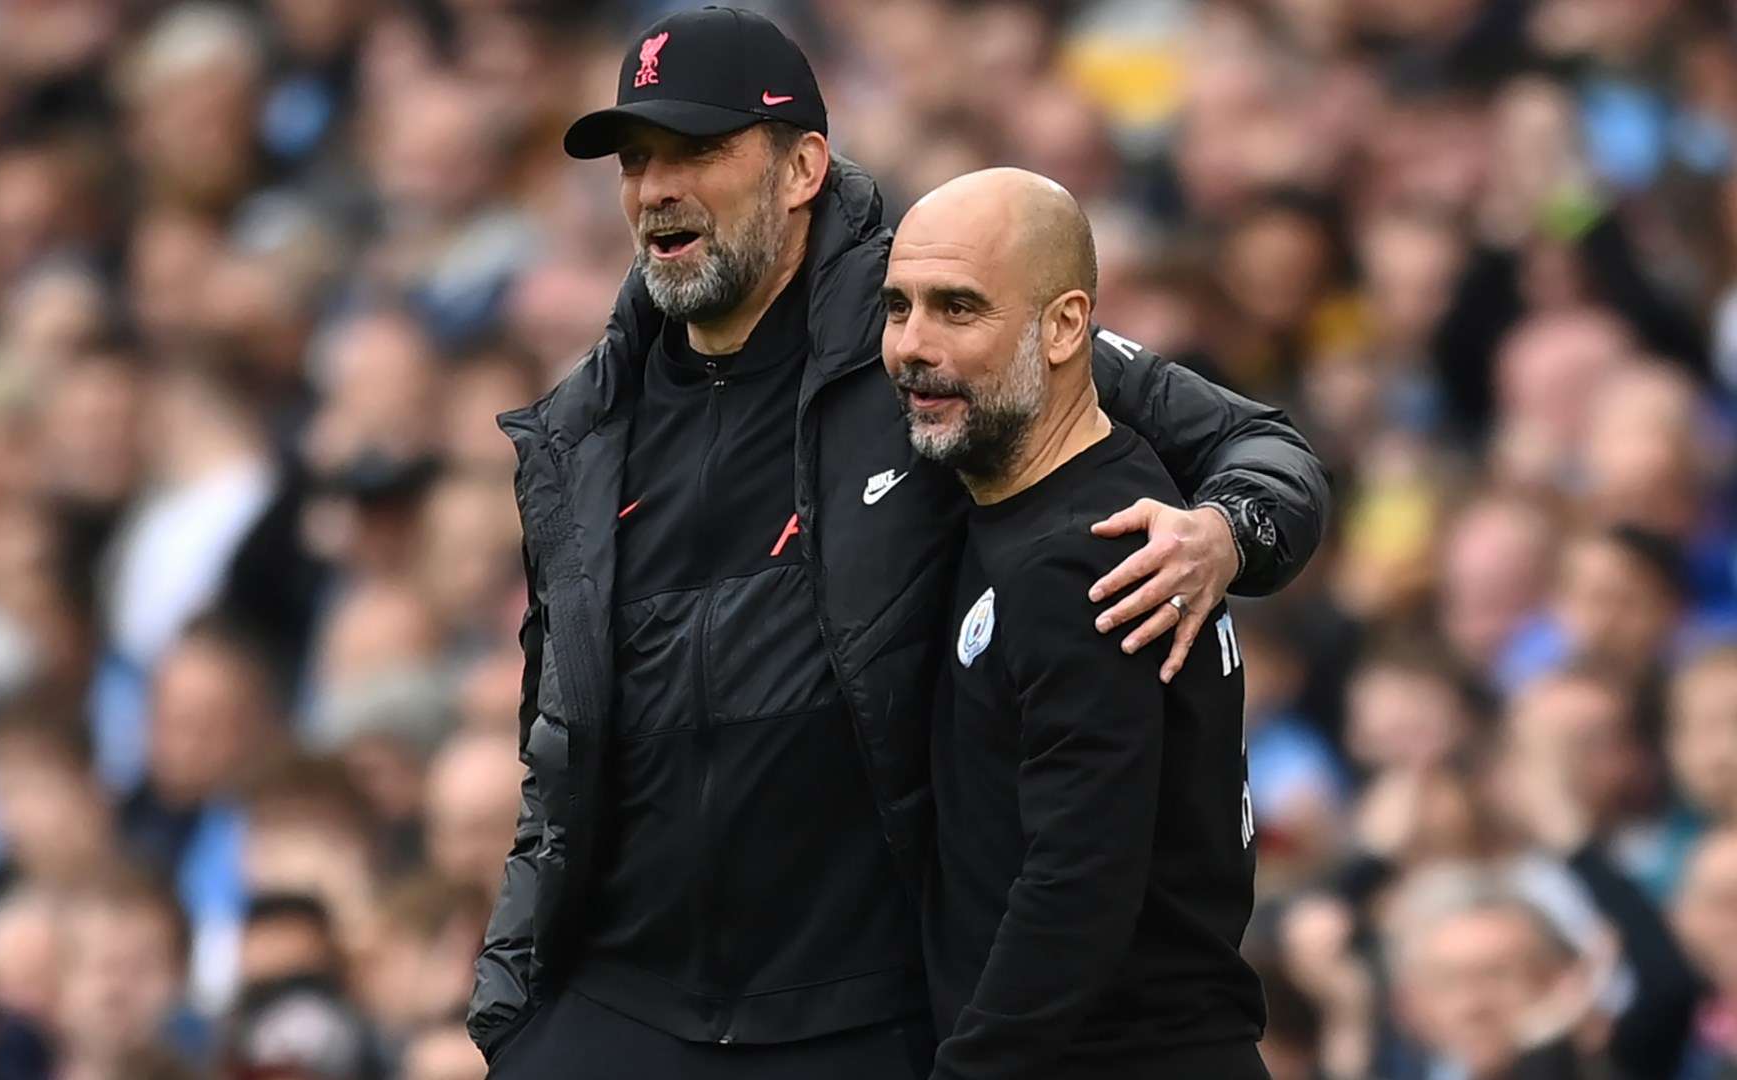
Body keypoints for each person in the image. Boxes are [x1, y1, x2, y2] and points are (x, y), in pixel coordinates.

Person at [473, 6, 1329, 1072]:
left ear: (802, 169)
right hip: (623, 1002)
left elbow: (1258, 444)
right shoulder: (582, 429)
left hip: (858, 1008)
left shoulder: (940, 329)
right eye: (636, 160)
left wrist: (1222, 534)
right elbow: (555, 741)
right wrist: (509, 1005)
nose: (656, 188)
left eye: (697, 150)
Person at [884, 167, 1265, 1078]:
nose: (910, 345)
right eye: (898, 307)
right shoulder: (1056, 500)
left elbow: (1078, 880)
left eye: (958, 308)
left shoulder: (1086, 555)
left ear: (1063, 327)